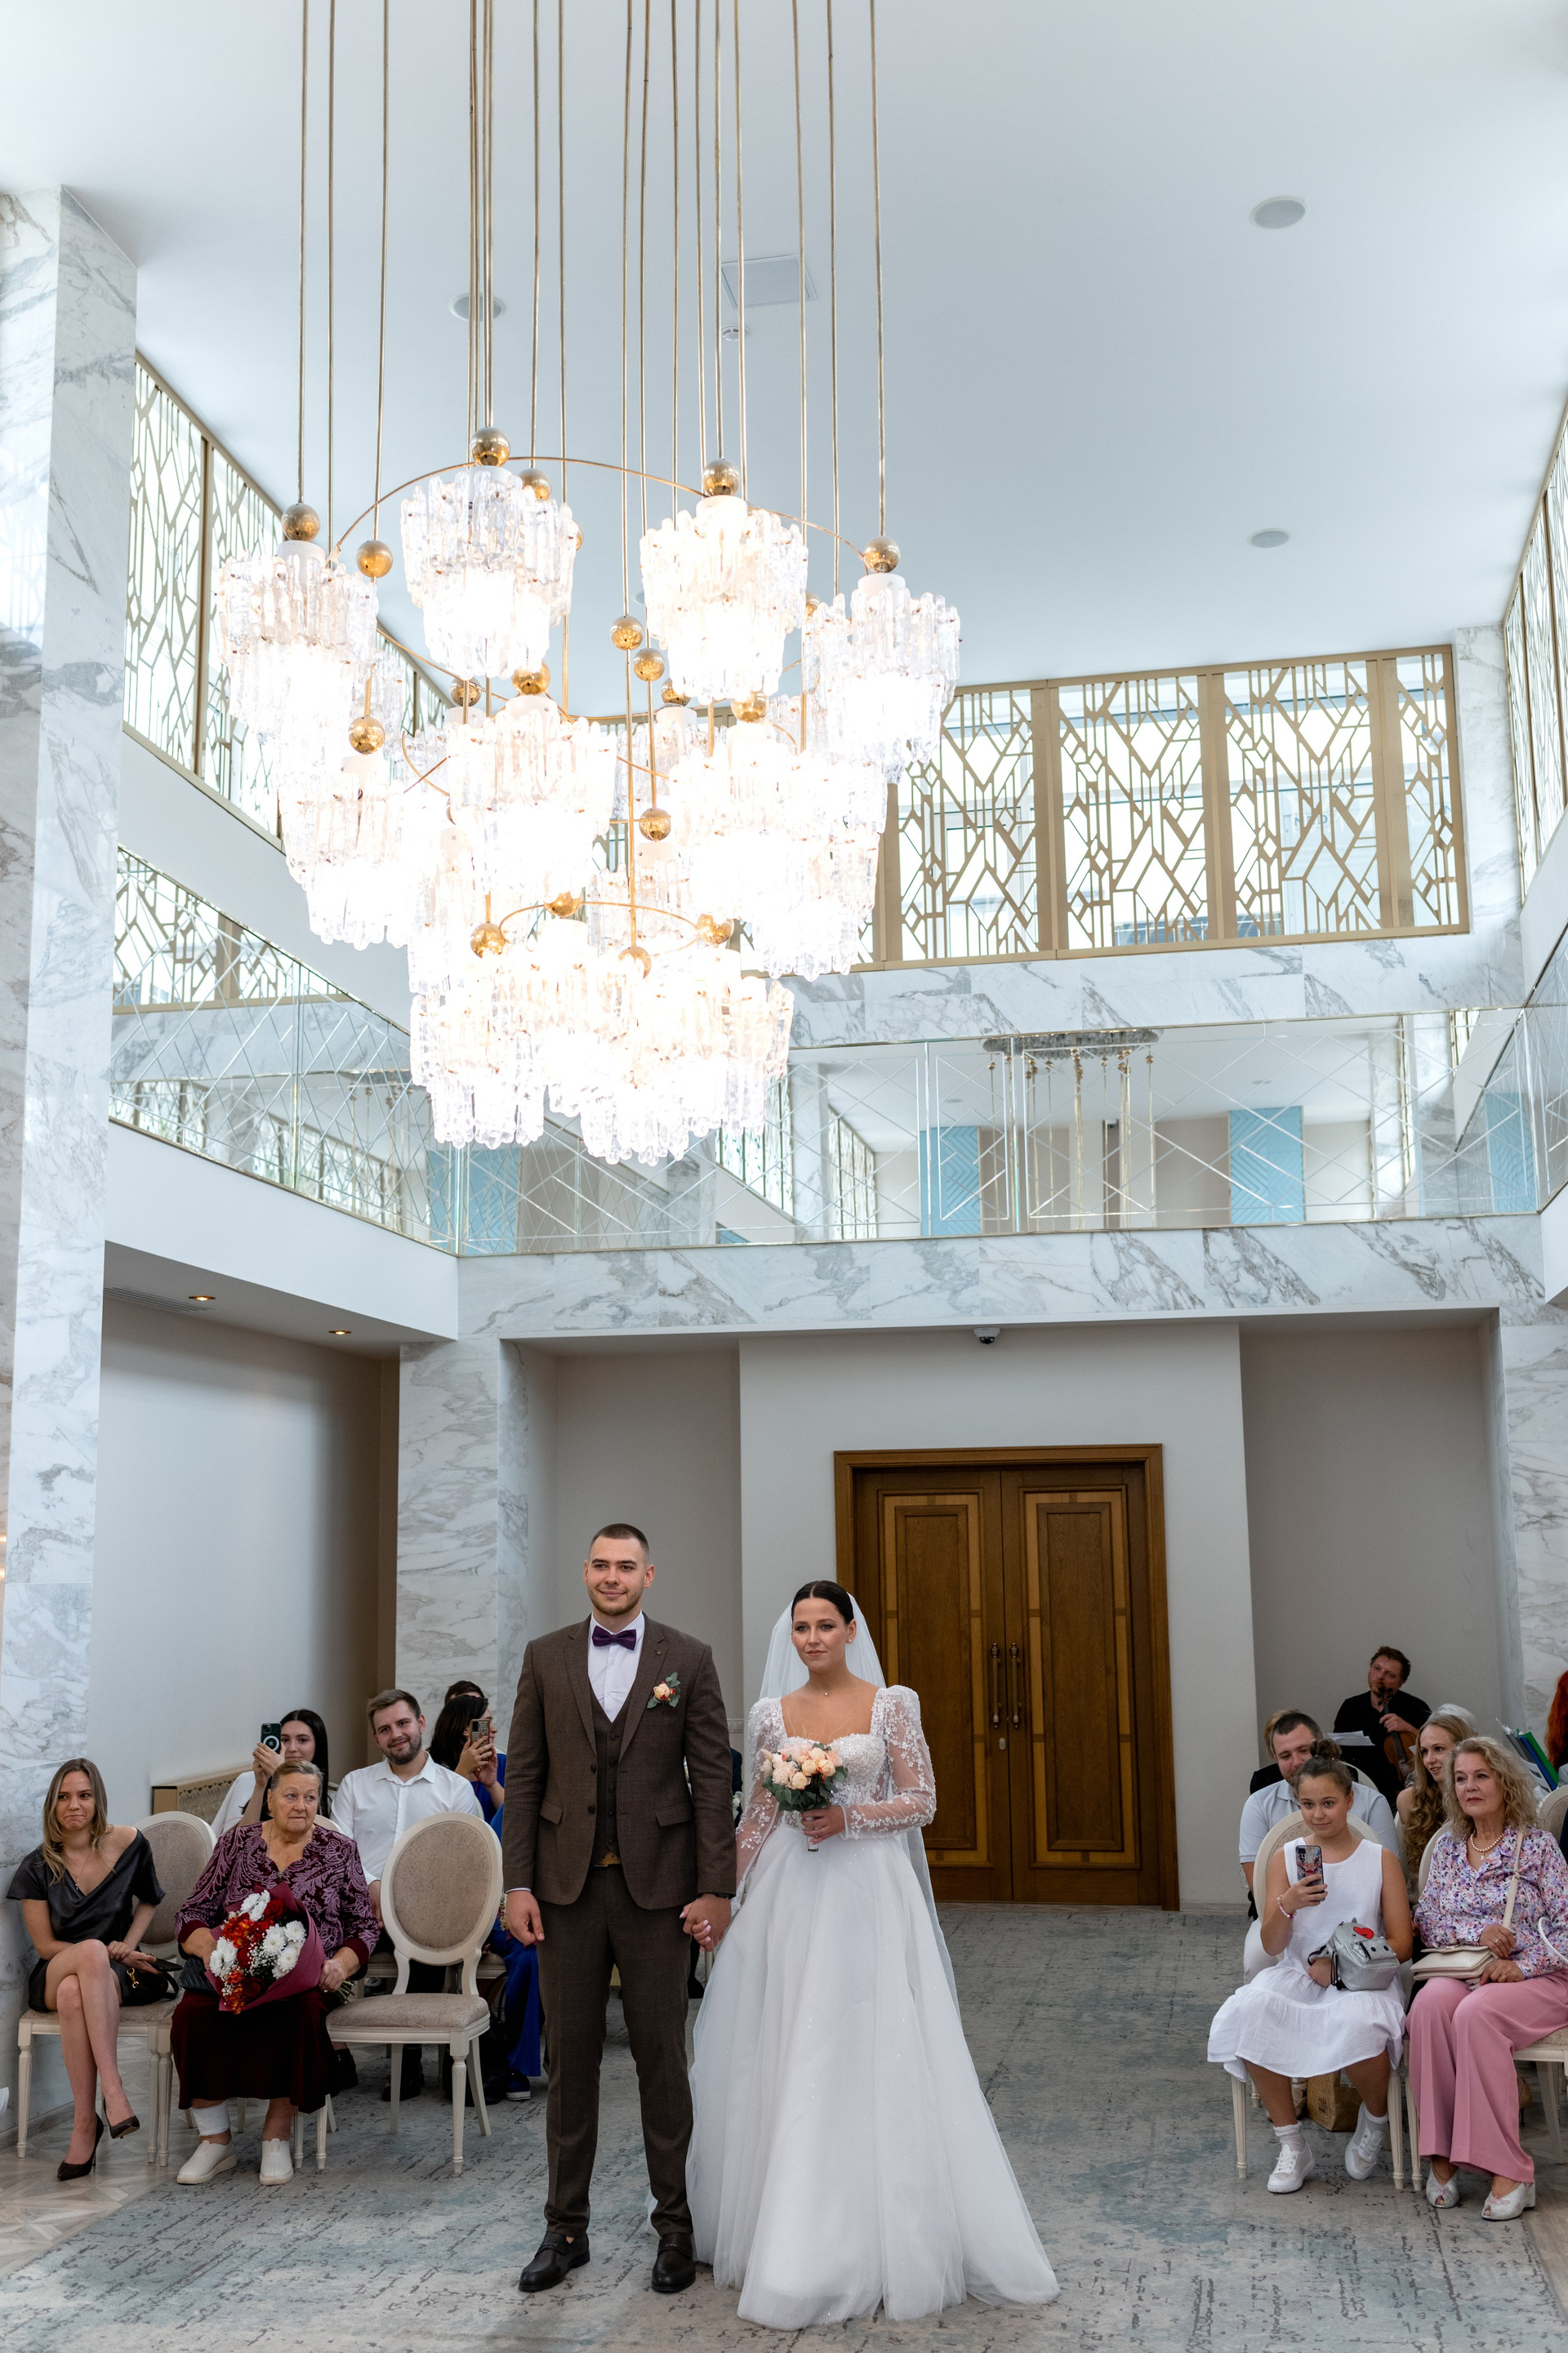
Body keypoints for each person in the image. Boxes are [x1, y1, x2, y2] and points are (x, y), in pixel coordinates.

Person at [685, 1580, 1058, 2325]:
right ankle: (786, 2223)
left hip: (866, 1890)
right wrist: (721, 1893)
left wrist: (848, 1818)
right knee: (787, 2037)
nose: (813, 1638)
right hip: (790, 1892)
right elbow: (758, 1816)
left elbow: (923, 1800)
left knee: (866, 2036)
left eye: (826, 1624)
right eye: (802, 1627)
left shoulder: (891, 1704)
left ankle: (879, 2225)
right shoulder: (771, 1714)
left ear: (851, 1630)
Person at [501, 1522, 736, 2299]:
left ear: (648, 1575)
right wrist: (517, 1883)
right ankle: (564, 2229)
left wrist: (716, 1887)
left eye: (626, 1565)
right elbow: (524, 1778)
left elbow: (712, 1780)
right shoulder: (545, 1656)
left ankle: (675, 2229)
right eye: (601, 1564)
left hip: (660, 1892)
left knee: (662, 2060)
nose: (612, 1576)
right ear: (585, 1571)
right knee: (568, 2063)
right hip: (564, 1892)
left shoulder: (689, 1658)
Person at [1209, 1757, 1412, 2194]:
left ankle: (1375, 2118)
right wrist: (1288, 1904)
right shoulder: (1286, 1859)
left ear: (1350, 1801)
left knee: (1361, 2022)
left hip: (1361, 1976)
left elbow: (1401, 1942)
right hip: (1299, 1973)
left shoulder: (1380, 1860)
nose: (1318, 1814)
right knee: (1252, 2009)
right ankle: (1292, 2143)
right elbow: (1272, 1946)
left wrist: (1340, 1966)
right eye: (1307, 1804)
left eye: (1328, 1803)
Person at [170, 1758, 376, 2185]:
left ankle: (276, 2136)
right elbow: (192, 1912)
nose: (301, 1805)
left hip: (310, 1977)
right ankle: (214, 2139)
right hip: (234, 1971)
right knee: (191, 2014)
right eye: (291, 1795)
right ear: (270, 1800)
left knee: (298, 2014)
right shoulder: (235, 1843)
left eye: (310, 1797)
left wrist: (341, 1964)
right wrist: (209, 1947)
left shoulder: (340, 1850)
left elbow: (364, 1926)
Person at [1409, 1735, 1568, 2219]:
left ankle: (1510, 2169)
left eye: (1482, 1776)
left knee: (1477, 2015)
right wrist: (1478, 1932)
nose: (1470, 1786)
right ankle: (1441, 2155)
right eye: (1461, 1778)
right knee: (1428, 2007)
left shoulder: (1538, 1847)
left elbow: (1567, 1927)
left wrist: (1521, 1965)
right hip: (1464, 1967)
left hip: (1540, 1976)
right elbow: (1427, 1921)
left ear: (1505, 1782)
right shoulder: (1449, 1849)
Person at [7, 1759, 165, 2178]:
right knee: (85, 1959)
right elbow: (45, 1946)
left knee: (73, 1993)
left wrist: (127, 1947)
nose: (73, 1805)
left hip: (118, 1973)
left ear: (97, 1800)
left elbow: (150, 1899)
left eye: (83, 1795)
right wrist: (98, 1952)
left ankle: (84, 2124)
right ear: (51, 1805)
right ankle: (114, 2091)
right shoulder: (37, 1866)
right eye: (63, 1797)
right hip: (56, 1967)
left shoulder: (129, 1843)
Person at [334, 1688, 487, 2101]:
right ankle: (334, 2053)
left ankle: (409, 2061)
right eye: (385, 1729)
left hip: (429, 1912)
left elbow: (464, 1861)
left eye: (402, 1723)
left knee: (427, 1931)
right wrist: (372, 1886)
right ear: (376, 1738)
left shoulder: (455, 1789)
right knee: (320, 1940)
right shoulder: (355, 1785)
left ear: (420, 1723)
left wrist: (408, 1900)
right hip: (362, 1909)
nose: (395, 1734)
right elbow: (339, 1849)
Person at [1239, 1714, 1399, 1895]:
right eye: (1285, 1756)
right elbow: (1259, 1886)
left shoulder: (1372, 1802)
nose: (1296, 1762)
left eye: (1303, 1750)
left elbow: (1390, 1879)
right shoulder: (1258, 1805)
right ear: (1276, 1759)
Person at [210, 1709, 339, 1837]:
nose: (292, 1748)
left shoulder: (331, 1798)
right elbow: (241, 1840)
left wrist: (281, 1772)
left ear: (318, 1745)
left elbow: (317, 1842)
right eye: (285, 1740)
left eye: (302, 1740)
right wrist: (260, 1787)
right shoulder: (247, 1781)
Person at [1334, 1647, 1431, 1804]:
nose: (1380, 1677)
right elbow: (1338, 1753)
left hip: (1401, 1793)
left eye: (1390, 1675)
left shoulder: (1417, 1708)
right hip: (1358, 1789)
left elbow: (1434, 1747)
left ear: (1401, 1683)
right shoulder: (1350, 1707)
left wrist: (1409, 1729)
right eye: (1377, 1669)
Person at [1396, 1709, 1475, 1885]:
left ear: (1462, 1750)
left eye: (1438, 1749)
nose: (1429, 1759)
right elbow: (1415, 1874)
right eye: (1424, 1752)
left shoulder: (1479, 1796)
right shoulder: (1409, 1800)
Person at [429, 1689, 505, 1825]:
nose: (494, 1729)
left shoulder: (501, 1762)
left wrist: (493, 1785)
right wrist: (463, 1771)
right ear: (466, 1729)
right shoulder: (434, 1768)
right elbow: (437, 1820)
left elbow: (516, 1817)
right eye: (487, 1722)